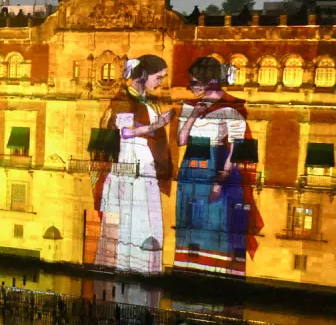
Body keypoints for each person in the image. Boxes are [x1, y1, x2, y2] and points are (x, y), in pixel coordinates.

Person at [174, 57, 262, 276]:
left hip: (215, 165)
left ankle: (214, 271)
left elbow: (235, 147)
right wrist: (193, 115)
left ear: (211, 80)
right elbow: (181, 140)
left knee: (213, 219)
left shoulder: (232, 107)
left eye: (195, 82)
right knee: (188, 219)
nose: (191, 87)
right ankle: (187, 269)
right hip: (190, 166)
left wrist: (221, 179)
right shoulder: (190, 106)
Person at [93, 54, 172, 274]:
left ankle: (143, 268)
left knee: (146, 219)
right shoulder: (124, 99)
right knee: (129, 219)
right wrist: (155, 126)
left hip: (146, 165)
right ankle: (125, 267)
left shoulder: (149, 102)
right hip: (128, 163)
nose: (161, 82)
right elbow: (124, 132)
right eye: (158, 77)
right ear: (144, 74)